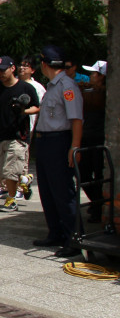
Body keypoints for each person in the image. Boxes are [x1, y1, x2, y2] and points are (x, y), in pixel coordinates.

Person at [33, 45, 84, 256]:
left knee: (63, 192)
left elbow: (77, 119)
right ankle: (56, 233)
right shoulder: (52, 86)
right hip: (45, 142)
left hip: (59, 142)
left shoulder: (67, 86)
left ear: (45, 64)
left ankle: (74, 239)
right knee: (47, 191)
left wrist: (75, 146)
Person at [0, 56, 39, 214]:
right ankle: (25, 180)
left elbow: (37, 107)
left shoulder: (25, 88)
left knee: (9, 171)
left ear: (12, 68)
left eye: (3, 70)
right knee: (1, 173)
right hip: (0, 135)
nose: (1, 73)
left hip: (18, 136)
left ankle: (11, 200)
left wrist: (23, 111)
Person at [78, 60, 107, 222]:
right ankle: (97, 203)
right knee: (84, 174)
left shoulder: (105, 93)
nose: (90, 76)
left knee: (100, 175)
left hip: (98, 138)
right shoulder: (88, 90)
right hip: (86, 137)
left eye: (93, 74)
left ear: (102, 77)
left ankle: (99, 206)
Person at [16, 55, 46, 200]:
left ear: (33, 70)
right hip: (12, 125)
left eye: (26, 65)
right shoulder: (13, 84)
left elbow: (40, 108)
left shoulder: (38, 88)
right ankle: (9, 186)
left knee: (22, 156)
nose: (22, 68)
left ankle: (22, 187)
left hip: (29, 126)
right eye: (20, 65)